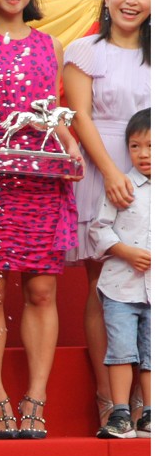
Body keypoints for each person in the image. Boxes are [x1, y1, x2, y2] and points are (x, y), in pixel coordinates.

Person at [0, 0, 82, 440]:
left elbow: (55, 113)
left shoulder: (49, 45)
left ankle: (36, 396)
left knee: (41, 289)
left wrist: (73, 150)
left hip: (44, 180)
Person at [61, 0, 152, 430]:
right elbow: (80, 116)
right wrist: (112, 172)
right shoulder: (84, 50)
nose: (132, 0)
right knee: (107, 287)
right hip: (101, 174)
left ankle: (146, 401)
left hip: (151, 175)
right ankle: (110, 398)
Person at [91, 109, 151, 439]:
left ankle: (148, 415)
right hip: (120, 287)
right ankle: (120, 413)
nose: (144, 154)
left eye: (151, 146)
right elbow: (98, 230)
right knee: (121, 350)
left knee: (150, 355)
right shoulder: (122, 185)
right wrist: (125, 251)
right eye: (135, 146)